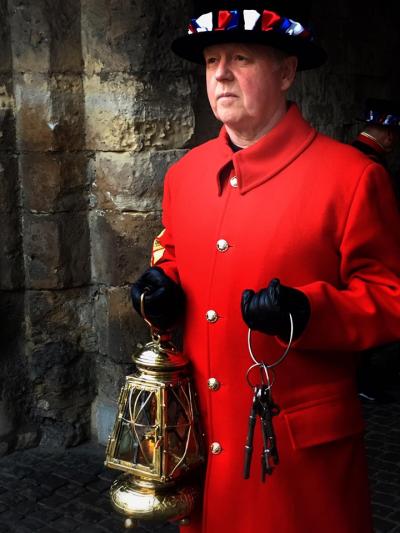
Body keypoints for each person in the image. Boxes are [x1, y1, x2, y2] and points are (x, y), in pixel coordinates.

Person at [131, 1, 400, 532]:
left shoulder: (351, 178)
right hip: (203, 442)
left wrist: (309, 310)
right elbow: (174, 256)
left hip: (296, 457)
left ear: (286, 71)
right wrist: (161, 292)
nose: (221, 74)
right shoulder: (185, 174)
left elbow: (390, 297)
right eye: (211, 62)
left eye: (241, 58)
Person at [351, 98, 400, 402]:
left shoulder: (351, 153)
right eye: (393, 132)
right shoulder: (371, 165)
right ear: (387, 133)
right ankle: (361, 378)